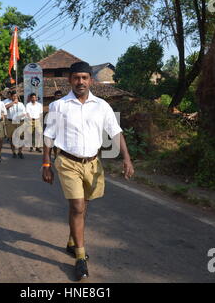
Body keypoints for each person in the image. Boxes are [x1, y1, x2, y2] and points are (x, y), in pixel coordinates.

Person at [42, 61, 135, 281]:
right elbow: (49, 136)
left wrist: (127, 159)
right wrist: (46, 164)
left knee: (83, 207)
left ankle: (72, 240)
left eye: (84, 78)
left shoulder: (102, 106)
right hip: (67, 162)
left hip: (93, 164)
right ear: (69, 80)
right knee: (76, 205)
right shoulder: (59, 106)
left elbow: (116, 132)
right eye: (76, 78)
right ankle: (81, 258)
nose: (80, 82)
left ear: (91, 80)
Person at [5, 91, 27, 159]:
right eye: (14, 96)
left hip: (20, 122)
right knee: (12, 138)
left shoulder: (21, 104)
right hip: (11, 122)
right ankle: (13, 152)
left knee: (21, 137)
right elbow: (5, 107)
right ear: (11, 96)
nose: (15, 97)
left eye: (16, 96)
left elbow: (24, 113)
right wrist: (13, 103)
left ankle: (20, 152)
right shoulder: (7, 102)